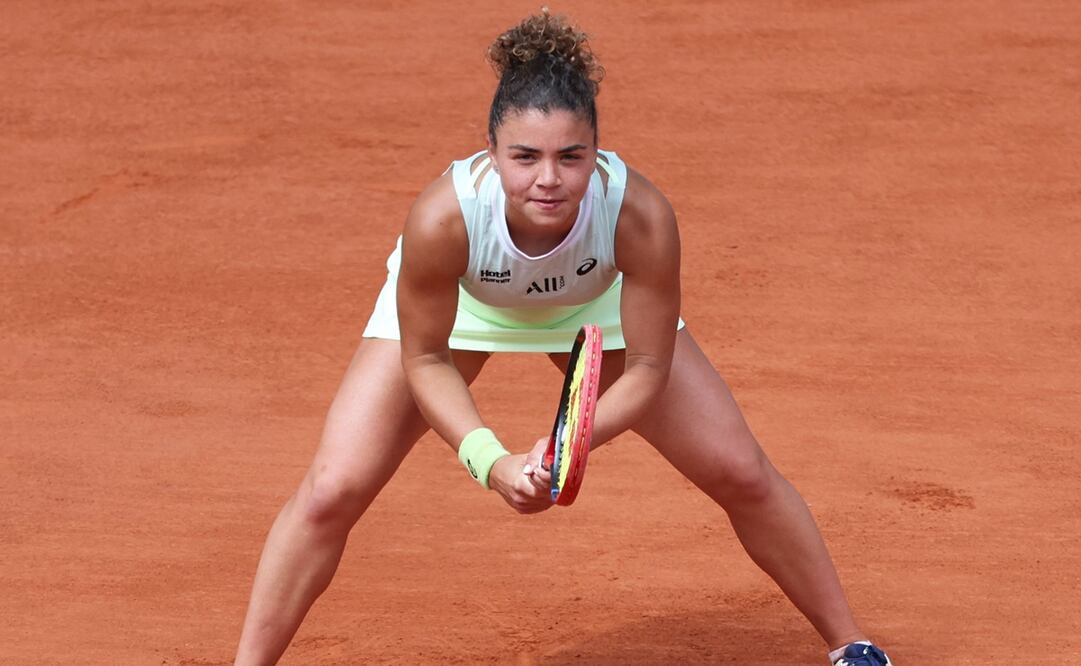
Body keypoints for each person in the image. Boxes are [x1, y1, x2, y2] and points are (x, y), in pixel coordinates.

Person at [235, 10, 893, 666]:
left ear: (595, 154)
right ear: (490, 154)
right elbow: (427, 357)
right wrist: (491, 461)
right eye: (524, 157)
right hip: (467, 307)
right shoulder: (444, 220)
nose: (547, 179)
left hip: (592, 306)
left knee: (740, 471)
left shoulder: (637, 215)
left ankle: (851, 646)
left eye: (569, 157)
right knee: (330, 491)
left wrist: (571, 440)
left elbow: (646, 366)